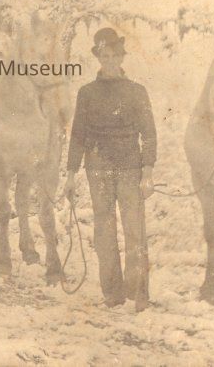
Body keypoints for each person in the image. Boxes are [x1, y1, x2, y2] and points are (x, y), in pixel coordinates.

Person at [62, 27, 156, 311]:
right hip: (98, 168)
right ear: (99, 58)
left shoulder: (137, 92)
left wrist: (148, 172)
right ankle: (112, 294)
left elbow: (149, 134)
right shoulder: (87, 93)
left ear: (122, 57)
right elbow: (78, 135)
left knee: (134, 229)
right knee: (104, 230)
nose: (110, 60)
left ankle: (137, 292)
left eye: (115, 55)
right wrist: (70, 174)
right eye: (105, 56)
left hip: (130, 168)